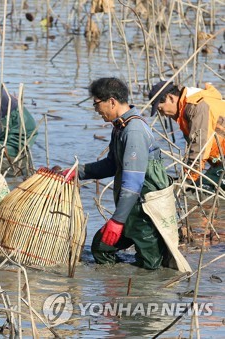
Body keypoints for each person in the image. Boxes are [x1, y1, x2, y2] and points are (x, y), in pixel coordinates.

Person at [60, 77, 171, 270]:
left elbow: (133, 184)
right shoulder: (121, 126)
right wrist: (75, 172)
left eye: (96, 104)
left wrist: (117, 221)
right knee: (101, 247)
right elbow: (111, 165)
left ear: (111, 101)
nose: (96, 110)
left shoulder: (133, 131)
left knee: (151, 270)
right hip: (131, 210)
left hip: (146, 213)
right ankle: (118, 287)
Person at [149, 80, 225, 190]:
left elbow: (199, 148)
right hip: (219, 161)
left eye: (160, 109)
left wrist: (188, 180)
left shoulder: (196, 106)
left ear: (171, 98)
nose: (162, 114)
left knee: (200, 190)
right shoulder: (185, 109)